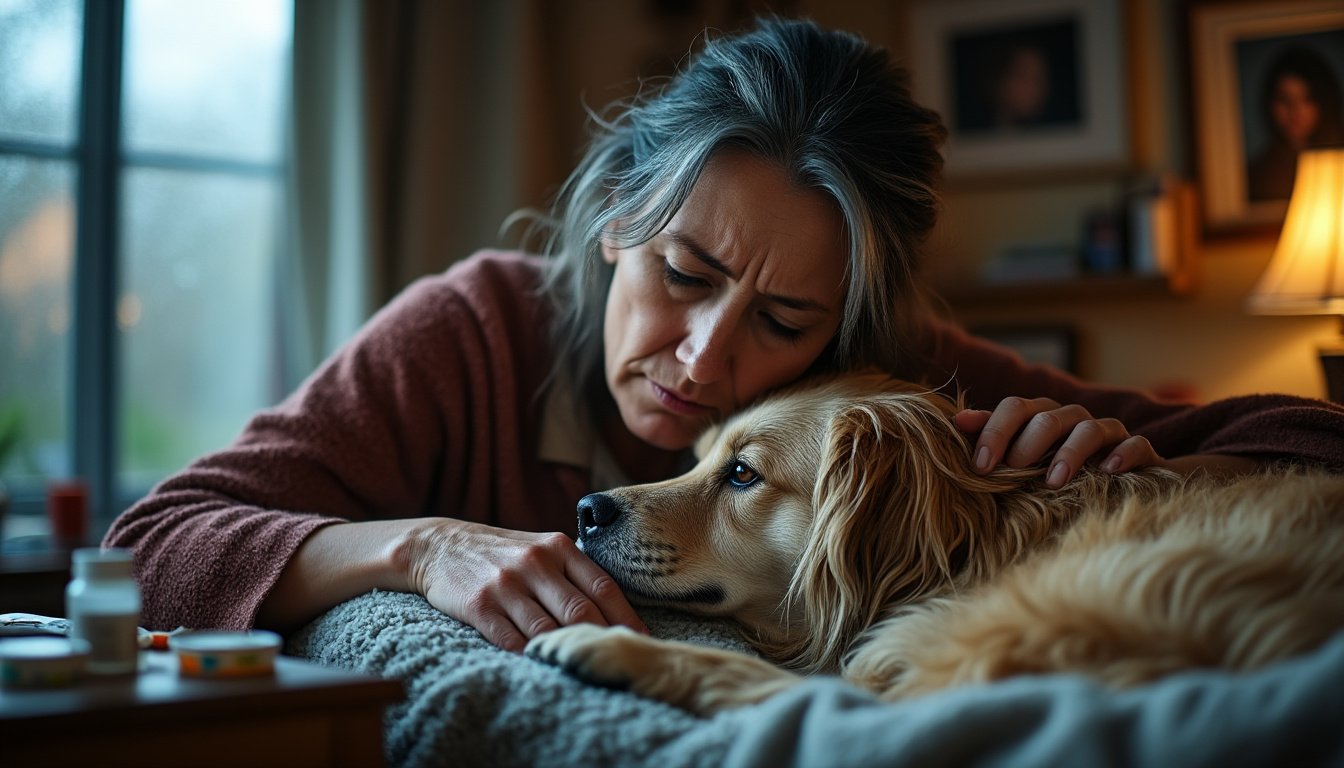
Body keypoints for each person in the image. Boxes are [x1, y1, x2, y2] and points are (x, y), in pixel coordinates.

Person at [107, 18, 1344, 652]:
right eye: (684, 272)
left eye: (785, 320)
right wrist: (418, 549)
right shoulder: (471, 330)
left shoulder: (890, 391)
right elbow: (152, 547)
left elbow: (1309, 444)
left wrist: (1127, 462)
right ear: (609, 223)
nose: (706, 359)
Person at [1247, 45, 1344, 202]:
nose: (1295, 111)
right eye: (1284, 100)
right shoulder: (1257, 174)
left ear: (1325, 101)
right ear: (1270, 104)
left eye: (1307, 99)